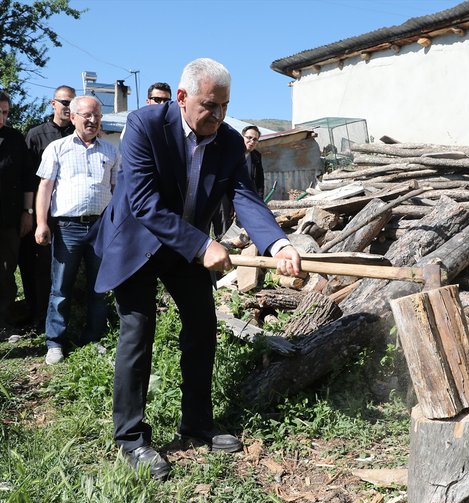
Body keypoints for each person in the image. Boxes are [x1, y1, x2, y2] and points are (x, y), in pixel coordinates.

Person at [90, 58, 301, 481]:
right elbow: (143, 202)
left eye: (224, 106)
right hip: (137, 241)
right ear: (183, 98)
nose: (218, 115)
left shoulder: (227, 141)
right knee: (138, 330)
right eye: (209, 105)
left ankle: (197, 423)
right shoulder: (144, 124)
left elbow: (246, 197)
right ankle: (131, 439)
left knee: (202, 327)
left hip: (184, 248)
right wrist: (202, 243)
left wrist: (277, 242)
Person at [35, 95, 120, 365]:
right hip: (67, 227)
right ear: (73, 117)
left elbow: (117, 191)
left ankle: (93, 338)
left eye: (97, 115)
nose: (93, 120)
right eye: (87, 115)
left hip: (101, 227)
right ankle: (55, 343)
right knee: (61, 287)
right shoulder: (57, 148)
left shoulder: (110, 151)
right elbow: (45, 188)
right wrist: (41, 222)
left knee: (99, 287)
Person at [22, 85, 77, 330]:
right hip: (43, 213)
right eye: (64, 102)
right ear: (53, 104)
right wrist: (32, 214)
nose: (68, 107)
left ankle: (70, 318)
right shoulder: (36, 135)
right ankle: (38, 316)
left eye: (71, 103)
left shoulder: (81, 134)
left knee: (68, 271)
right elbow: (28, 179)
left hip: (71, 214)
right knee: (41, 268)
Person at [0, 91, 34, 335]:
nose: (2, 117)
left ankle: (5, 321)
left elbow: (26, 179)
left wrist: (27, 211)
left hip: (8, 218)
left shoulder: (14, 139)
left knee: (5, 271)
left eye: (5, 112)